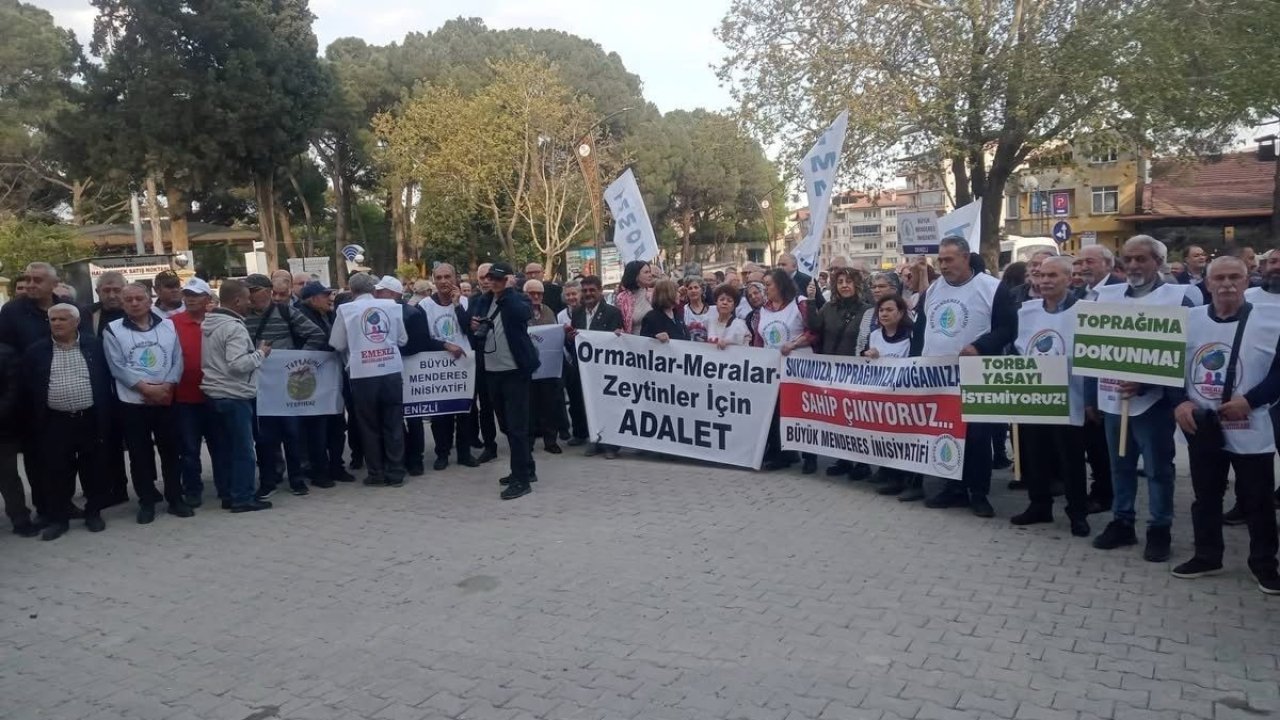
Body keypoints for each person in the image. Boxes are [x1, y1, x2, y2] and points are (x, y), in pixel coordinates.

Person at [1172, 255, 1280, 594]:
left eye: (1235, 277)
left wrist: (1251, 400)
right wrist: (1180, 400)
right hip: (1202, 424)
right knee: (1206, 496)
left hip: (1251, 423)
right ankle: (1207, 555)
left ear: (1248, 281)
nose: (1227, 284)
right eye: (1219, 278)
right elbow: (1169, 365)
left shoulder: (1270, 321)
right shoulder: (1187, 320)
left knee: (1257, 499)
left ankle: (1264, 564)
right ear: (1206, 283)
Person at [1088, 235, 1195, 563]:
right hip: (1113, 397)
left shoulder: (1179, 299)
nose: (1133, 265)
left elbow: (1185, 352)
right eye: (1128, 259)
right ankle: (1123, 521)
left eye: (1141, 259)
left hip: (1154, 403)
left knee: (1158, 468)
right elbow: (1093, 348)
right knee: (1119, 463)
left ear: (1158, 262)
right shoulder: (1105, 298)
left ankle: (1159, 528)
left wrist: (1146, 381)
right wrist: (1094, 395)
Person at [910, 236, 1018, 518]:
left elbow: (1008, 328)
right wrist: (913, 363)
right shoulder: (933, 290)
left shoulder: (992, 288)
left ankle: (978, 492)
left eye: (949, 260)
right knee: (948, 432)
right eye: (940, 260)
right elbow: (921, 330)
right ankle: (954, 488)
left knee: (977, 436)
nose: (943, 266)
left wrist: (980, 347)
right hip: (938, 378)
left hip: (976, 375)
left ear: (966, 258)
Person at [1009, 256, 1090, 537]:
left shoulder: (1085, 311)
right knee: (1035, 455)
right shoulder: (1026, 312)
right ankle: (1039, 505)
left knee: (1072, 460)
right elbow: (1016, 350)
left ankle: (1077, 512)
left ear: (1069, 278)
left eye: (1053, 276)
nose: (1045, 281)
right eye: (1041, 276)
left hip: (1071, 398)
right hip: (1035, 397)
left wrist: (1091, 399)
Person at [24, 304, 114, 540]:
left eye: (63, 319)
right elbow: (29, 389)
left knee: (93, 469)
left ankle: (93, 513)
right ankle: (59, 519)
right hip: (55, 422)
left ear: (75, 322)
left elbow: (106, 379)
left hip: (89, 418)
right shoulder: (37, 351)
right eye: (52, 319)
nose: (56, 323)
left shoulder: (93, 345)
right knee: (57, 472)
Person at [103, 282, 189, 524]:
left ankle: (175, 498)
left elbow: (177, 358)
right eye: (128, 299)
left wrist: (167, 386)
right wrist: (146, 389)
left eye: (139, 298)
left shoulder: (168, 325)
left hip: (166, 399)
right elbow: (117, 366)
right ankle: (147, 502)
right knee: (139, 455)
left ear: (149, 300)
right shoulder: (113, 329)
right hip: (133, 402)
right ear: (122, 303)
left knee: (172, 451)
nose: (134, 303)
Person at [245, 274, 327, 497]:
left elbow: (315, 334)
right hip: (258, 385)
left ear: (265, 290)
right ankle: (268, 480)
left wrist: (300, 361)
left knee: (292, 432)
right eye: (247, 291)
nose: (250, 296)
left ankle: (297, 479)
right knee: (263, 437)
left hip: (286, 384)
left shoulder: (284, 311)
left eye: (253, 290)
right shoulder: (242, 316)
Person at [330, 273, 409, 488]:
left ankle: (376, 473)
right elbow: (403, 339)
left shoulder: (345, 310)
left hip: (362, 373)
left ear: (351, 290)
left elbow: (336, 343)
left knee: (369, 424)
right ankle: (396, 471)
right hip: (391, 371)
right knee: (393, 421)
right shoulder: (392, 306)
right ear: (373, 289)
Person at [470, 262, 540, 499]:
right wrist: (474, 323)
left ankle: (521, 480)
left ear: (508, 280)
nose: (493, 282)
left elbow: (524, 314)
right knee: (507, 426)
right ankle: (526, 468)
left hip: (514, 371)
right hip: (492, 371)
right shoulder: (482, 300)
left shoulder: (516, 299)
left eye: (498, 279)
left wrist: (506, 292)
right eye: (490, 278)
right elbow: (473, 318)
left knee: (517, 427)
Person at [201, 281, 272, 513]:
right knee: (243, 451)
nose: (250, 303)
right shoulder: (234, 327)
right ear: (237, 300)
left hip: (214, 394)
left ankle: (228, 493)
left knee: (223, 450)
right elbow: (237, 364)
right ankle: (243, 497)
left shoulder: (209, 324)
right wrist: (260, 353)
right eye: (247, 299)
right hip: (234, 395)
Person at [1075, 245, 1124, 511]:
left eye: (1089, 261)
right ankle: (1102, 490)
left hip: (1115, 385)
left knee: (1108, 447)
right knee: (1094, 445)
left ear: (1107, 264)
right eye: (1080, 262)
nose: (1083, 267)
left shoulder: (1121, 291)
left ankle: (1108, 495)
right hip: (1087, 381)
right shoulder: (1080, 293)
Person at [860, 294, 922, 499]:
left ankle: (914, 483)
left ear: (901, 312)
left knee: (910, 441)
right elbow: (865, 363)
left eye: (889, 310)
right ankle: (894, 478)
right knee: (889, 439)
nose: (884, 314)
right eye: (881, 310)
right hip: (883, 399)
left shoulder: (912, 335)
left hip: (907, 398)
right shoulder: (875, 335)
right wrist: (868, 356)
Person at [753, 269, 815, 471]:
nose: (765, 289)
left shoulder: (800, 304)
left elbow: (812, 331)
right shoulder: (764, 310)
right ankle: (783, 454)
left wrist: (794, 344)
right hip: (773, 368)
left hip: (799, 367)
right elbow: (759, 339)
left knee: (802, 411)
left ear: (780, 285)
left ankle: (810, 457)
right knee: (777, 411)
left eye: (768, 284)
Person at [171, 277, 224, 508]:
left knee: (220, 445)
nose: (190, 299)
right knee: (189, 449)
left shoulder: (219, 321)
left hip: (216, 394)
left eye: (195, 295)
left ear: (208, 299)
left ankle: (226, 486)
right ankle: (192, 489)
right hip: (184, 397)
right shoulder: (171, 323)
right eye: (187, 295)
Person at [419, 264, 476, 470]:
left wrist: (457, 305)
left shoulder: (465, 302)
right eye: (439, 277)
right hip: (438, 367)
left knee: (465, 412)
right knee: (440, 415)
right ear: (433, 280)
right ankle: (442, 453)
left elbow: (469, 329)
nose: (444, 281)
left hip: (463, 365)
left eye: (447, 277)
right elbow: (422, 337)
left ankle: (464, 453)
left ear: (455, 278)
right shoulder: (424, 305)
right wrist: (444, 345)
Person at [296, 281, 353, 486]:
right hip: (312, 378)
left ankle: (337, 466)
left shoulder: (330, 314)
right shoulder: (300, 315)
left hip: (333, 378)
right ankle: (319, 470)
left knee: (337, 425)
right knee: (316, 427)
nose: (331, 298)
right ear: (313, 298)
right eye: (325, 294)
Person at [566, 276, 623, 455]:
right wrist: (570, 338)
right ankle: (594, 439)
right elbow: (575, 342)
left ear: (600, 291)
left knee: (606, 405)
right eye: (585, 290)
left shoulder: (613, 312)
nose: (588, 294)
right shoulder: (577, 312)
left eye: (592, 290)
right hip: (583, 368)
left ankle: (611, 445)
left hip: (605, 369)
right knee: (587, 404)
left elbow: (616, 342)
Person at [88, 270, 131, 507]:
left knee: (138, 441)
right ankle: (117, 488)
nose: (112, 295)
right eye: (107, 290)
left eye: (117, 290)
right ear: (98, 292)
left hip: (134, 386)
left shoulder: (136, 312)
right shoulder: (89, 315)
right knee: (108, 441)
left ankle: (148, 487)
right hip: (102, 389)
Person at [1244, 249, 1280, 513]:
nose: (1277, 267)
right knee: (1250, 454)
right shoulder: (1247, 297)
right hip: (1249, 390)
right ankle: (1245, 505)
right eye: (1274, 262)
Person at [523, 279, 564, 454]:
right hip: (527, 367)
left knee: (549, 405)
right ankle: (529, 441)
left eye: (539, 293)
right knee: (528, 407)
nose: (536, 296)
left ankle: (550, 441)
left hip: (547, 368)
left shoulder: (548, 311)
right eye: (532, 293)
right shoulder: (520, 311)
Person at [0, 340, 35, 536]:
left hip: (3, 430)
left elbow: (13, 393)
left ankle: (20, 519)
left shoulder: (6, 353)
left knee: (8, 477)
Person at [468, 263, 501, 463]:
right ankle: (490, 445)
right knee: (485, 406)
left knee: (504, 406)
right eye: (482, 278)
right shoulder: (473, 301)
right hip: (481, 360)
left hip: (503, 360)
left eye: (490, 277)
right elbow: (468, 327)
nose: (487, 281)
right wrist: (470, 325)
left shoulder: (507, 299)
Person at [854, 272, 904, 356]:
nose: (876, 290)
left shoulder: (902, 313)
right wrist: (863, 356)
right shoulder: (868, 314)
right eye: (873, 287)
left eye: (881, 286)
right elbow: (860, 345)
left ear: (893, 289)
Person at [639, 278, 690, 343]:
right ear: (668, 294)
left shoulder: (677, 315)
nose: (679, 294)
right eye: (676, 291)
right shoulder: (651, 317)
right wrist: (655, 337)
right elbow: (643, 341)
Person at [615, 260, 655, 334]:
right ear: (635, 275)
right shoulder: (622, 298)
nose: (650, 275)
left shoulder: (654, 294)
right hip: (633, 342)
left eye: (650, 272)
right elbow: (618, 324)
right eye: (646, 272)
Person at [680, 276, 714, 342]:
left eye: (696, 287)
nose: (693, 290)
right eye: (690, 288)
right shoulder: (684, 310)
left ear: (702, 290)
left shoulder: (713, 310)